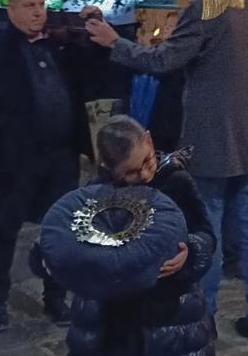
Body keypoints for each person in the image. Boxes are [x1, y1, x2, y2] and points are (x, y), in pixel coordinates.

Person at [86, 0, 248, 348]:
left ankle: (205, 313)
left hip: (212, 138)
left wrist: (115, 42)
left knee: (206, 229)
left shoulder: (206, 7)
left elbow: (164, 59)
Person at [0, 0, 94, 331]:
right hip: (15, 157)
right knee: (4, 230)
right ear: (11, 10)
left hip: (61, 156)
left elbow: (91, 70)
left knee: (59, 229)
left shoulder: (59, 43)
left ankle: (56, 298)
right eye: (29, 5)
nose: (38, 11)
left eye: (41, 4)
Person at [52, 116, 216, 356]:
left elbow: (206, 233)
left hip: (167, 314)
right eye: (131, 172)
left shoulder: (177, 182)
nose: (145, 175)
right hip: (111, 318)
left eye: (147, 161)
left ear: (148, 140)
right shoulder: (95, 194)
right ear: (109, 167)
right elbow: (70, 240)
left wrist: (190, 251)